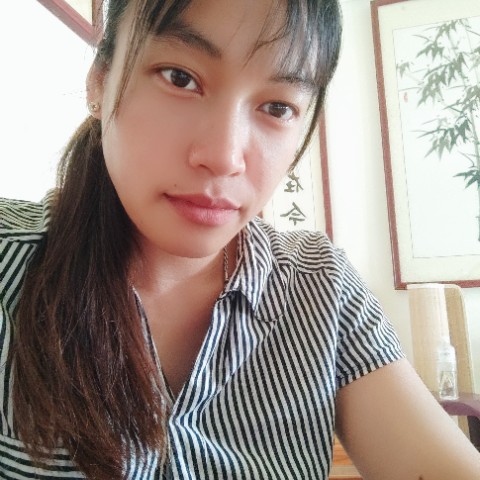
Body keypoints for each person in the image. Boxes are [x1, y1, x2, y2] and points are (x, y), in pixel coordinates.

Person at [1, 0, 479, 478]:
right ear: (100, 81)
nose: (224, 156)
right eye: (179, 78)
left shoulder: (320, 288)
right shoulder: (10, 263)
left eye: (277, 107)